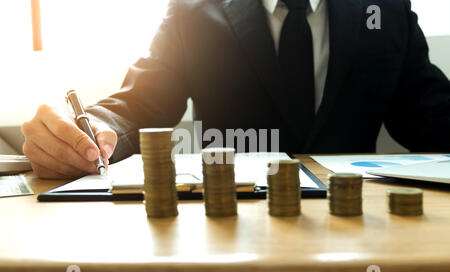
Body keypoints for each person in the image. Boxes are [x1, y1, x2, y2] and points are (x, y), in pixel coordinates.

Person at [22, 0, 450, 179]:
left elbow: (429, 113)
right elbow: (141, 102)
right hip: (232, 226)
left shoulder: (386, 8)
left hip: (361, 230)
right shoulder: (195, 8)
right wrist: (89, 130)